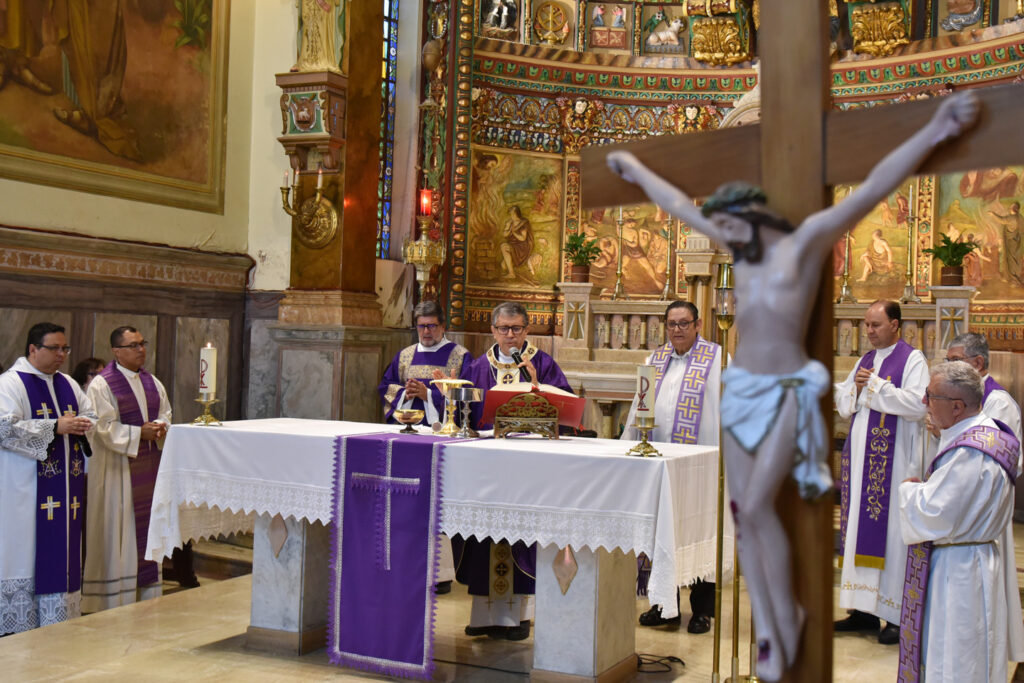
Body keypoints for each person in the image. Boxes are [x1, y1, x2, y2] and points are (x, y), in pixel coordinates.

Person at [607, 91, 979, 680]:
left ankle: (787, 626)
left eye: (731, 226)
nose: (726, 239)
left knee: (757, 506)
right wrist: (636, 169)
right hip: (744, 392)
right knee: (746, 515)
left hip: (782, 390)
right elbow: (681, 206)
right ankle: (776, 627)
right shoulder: (745, 249)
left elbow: (880, 181)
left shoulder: (803, 243)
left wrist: (936, 129)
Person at [897, 361, 1023, 681]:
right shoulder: (988, 434)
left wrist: (909, 490)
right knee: (971, 652)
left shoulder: (971, 452)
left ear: (956, 406)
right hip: (972, 560)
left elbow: (936, 513)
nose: (924, 402)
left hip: (961, 571)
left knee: (956, 657)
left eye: (930, 396)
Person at [455, 301, 573, 641]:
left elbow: (565, 411)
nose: (510, 335)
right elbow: (466, 414)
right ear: (492, 330)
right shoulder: (478, 367)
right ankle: (483, 617)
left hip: (527, 469)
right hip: (487, 468)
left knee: (520, 537)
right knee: (485, 537)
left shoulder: (543, 364)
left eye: (517, 328)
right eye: (504, 329)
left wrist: (538, 388)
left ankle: (518, 617)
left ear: (526, 330)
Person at [621, 301, 723, 634]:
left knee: (699, 532)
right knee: (661, 533)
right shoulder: (654, 360)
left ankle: (702, 610)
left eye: (684, 323)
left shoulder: (719, 360)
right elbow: (640, 405)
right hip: (661, 464)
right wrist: (628, 445)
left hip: (701, 465)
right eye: (671, 324)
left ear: (698, 324)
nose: (677, 329)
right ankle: (665, 606)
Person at [833, 300, 927, 645]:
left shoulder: (913, 360)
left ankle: (894, 615)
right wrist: (858, 389)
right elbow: (845, 401)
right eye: (866, 325)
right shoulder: (865, 360)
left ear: (896, 325)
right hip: (862, 467)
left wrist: (874, 387)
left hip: (895, 464)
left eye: (875, 325)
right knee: (860, 528)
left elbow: (919, 405)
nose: (868, 331)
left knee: (890, 534)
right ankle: (862, 611)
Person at [0, 322, 96, 635]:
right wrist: (54, 427)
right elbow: (3, 428)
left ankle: (57, 620)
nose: (61, 355)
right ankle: (19, 625)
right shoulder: (10, 384)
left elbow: (90, 414)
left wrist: (84, 423)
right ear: (32, 349)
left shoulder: (68, 383)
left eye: (65, 348)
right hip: (24, 489)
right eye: (54, 348)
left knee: (62, 552)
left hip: (67, 490)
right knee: (24, 552)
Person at [81, 327, 171, 613]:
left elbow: (166, 413)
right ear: (116, 351)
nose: (140, 350)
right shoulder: (102, 384)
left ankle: (145, 592)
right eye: (133, 345)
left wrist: (160, 428)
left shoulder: (152, 381)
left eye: (142, 344)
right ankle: (111, 595)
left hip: (148, 464)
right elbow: (101, 426)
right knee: (116, 526)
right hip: (116, 470)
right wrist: (137, 434)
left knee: (143, 527)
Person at [377, 300, 474, 428]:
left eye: (432, 326)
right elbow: (386, 387)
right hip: (408, 429)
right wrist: (404, 394)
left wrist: (428, 395)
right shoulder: (404, 356)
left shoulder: (461, 356)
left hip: (444, 431)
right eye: (421, 326)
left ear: (442, 326)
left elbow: (469, 397)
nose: (426, 331)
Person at [500, 205, 537, 283]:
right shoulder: (510, 223)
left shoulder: (523, 222)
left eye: (512, 214)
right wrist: (508, 227)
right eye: (510, 214)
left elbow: (523, 238)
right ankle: (512, 272)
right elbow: (505, 235)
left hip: (522, 246)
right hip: (513, 246)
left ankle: (511, 274)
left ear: (516, 213)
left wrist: (513, 232)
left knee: (503, 246)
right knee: (503, 266)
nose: (511, 215)